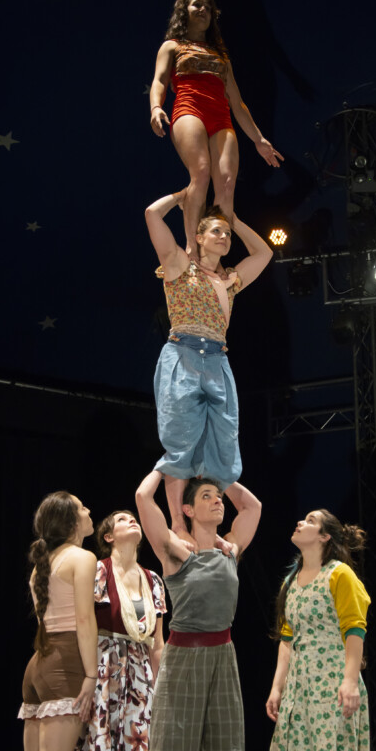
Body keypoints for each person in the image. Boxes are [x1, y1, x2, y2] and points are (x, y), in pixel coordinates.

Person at [134, 470, 262, 751]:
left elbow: (252, 506)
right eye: (206, 496)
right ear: (187, 509)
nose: (217, 500)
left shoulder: (230, 550)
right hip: (184, 657)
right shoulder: (177, 551)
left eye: (217, 496)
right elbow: (143, 498)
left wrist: (224, 474)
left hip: (224, 657)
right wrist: (166, 464)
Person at [145, 189, 272, 540]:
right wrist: (180, 196)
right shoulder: (178, 265)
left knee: (222, 445)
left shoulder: (229, 281)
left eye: (226, 234)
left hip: (218, 362)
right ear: (199, 237)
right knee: (181, 441)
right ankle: (177, 522)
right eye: (216, 231)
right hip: (182, 355)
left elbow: (264, 253)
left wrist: (235, 221)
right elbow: (152, 214)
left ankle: (205, 524)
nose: (224, 237)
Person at [258, 509, 371, 751]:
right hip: (299, 687)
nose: (299, 523)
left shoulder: (340, 574)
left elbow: (355, 628)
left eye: (309, 520)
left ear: (324, 537)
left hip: (333, 684)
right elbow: (286, 640)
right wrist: (277, 687)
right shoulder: (291, 581)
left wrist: (350, 681)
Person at [11, 491, 98, 751]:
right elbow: (84, 619)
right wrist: (92, 675)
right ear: (70, 520)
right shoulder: (81, 558)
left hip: (39, 663)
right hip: (65, 662)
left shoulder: (44, 564)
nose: (89, 511)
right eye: (82, 508)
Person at [149, 0, 283, 247]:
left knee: (227, 182)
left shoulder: (221, 55)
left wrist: (259, 139)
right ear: (184, 12)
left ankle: (213, 250)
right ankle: (192, 249)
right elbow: (159, 80)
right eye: (197, 5)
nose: (203, 10)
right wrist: (156, 107)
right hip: (189, 109)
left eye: (208, 8)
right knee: (200, 172)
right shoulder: (172, 46)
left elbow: (237, 102)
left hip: (221, 117)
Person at [71, 509, 166, 751]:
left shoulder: (152, 580)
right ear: (108, 536)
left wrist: (159, 686)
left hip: (140, 671)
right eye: (123, 519)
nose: (132, 521)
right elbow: (83, 624)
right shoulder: (98, 571)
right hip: (104, 667)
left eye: (132, 517)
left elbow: (158, 642)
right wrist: (86, 676)